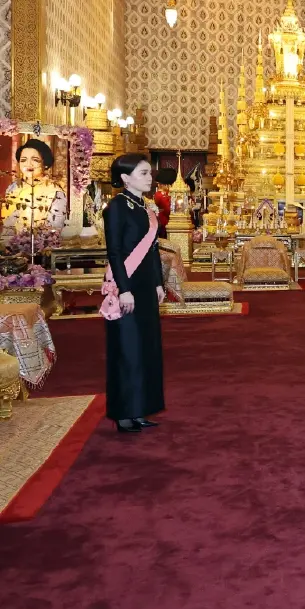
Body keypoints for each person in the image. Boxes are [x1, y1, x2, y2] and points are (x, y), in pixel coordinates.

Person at [102, 154, 167, 434]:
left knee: (146, 349)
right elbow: (114, 252)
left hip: (145, 286)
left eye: (148, 173)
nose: (149, 177)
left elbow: (153, 250)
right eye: (143, 173)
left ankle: (140, 409)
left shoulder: (145, 207)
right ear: (126, 178)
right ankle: (124, 413)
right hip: (125, 286)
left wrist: (157, 283)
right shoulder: (117, 207)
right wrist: (124, 289)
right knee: (127, 350)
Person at [2, 138, 69, 244]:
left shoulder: (55, 191)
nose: (28, 164)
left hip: (43, 249)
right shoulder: (13, 188)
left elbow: (54, 230)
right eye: (23, 160)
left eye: (35, 160)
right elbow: (7, 225)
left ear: (45, 163)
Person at [153, 168, 175, 238]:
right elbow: (168, 210)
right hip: (164, 223)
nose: (159, 185)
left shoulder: (168, 193)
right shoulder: (160, 194)